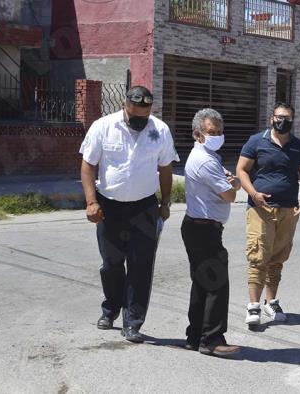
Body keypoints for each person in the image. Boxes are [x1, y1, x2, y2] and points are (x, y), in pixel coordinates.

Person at [79, 86, 179, 343]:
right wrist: (91, 202)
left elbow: (165, 168)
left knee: (141, 265)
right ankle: (110, 308)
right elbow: (88, 165)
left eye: (144, 116)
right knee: (111, 264)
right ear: (125, 106)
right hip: (109, 206)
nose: (140, 121)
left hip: (144, 208)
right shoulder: (103, 126)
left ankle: (133, 322)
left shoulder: (160, 130)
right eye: (135, 115)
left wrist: (165, 202)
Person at [236, 102, 300, 326]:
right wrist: (253, 193)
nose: (282, 121)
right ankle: (253, 306)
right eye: (279, 117)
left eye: (287, 118)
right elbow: (241, 170)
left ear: (293, 121)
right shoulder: (256, 141)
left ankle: (271, 302)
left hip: (288, 210)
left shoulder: (299, 146)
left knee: (277, 258)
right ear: (272, 118)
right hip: (260, 209)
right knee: (258, 256)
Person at [181, 108, 241, 357]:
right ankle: (212, 339)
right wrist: (235, 182)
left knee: (203, 284)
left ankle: (195, 336)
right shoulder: (205, 160)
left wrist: (228, 180)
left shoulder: (209, 156)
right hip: (204, 230)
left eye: (219, 131)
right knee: (216, 284)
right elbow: (230, 194)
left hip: (199, 228)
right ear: (198, 134)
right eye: (211, 132)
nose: (216, 136)